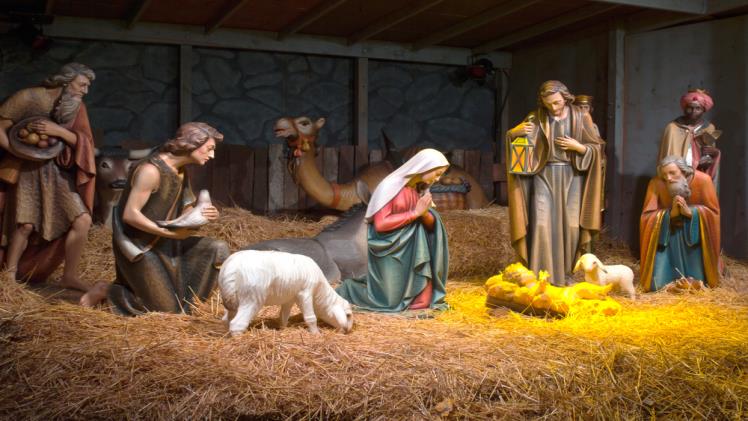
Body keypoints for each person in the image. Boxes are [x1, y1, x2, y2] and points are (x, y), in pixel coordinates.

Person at [0, 62, 106, 306]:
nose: (85, 90)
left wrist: (57, 131)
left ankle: (69, 276)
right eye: (82, 84)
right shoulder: (28, 97)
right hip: (26, 170)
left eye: (87, 86)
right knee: (25, 224)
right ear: (66, 81)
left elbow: (84, 142)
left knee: (82, 219)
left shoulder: (76, 106)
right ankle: (9, 277)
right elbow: (1, 126)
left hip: (56, 172)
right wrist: (17, 151)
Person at [108, 122, 230, 316]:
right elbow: (130, 215)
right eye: (209, 148)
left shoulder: (180, 171)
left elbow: (185, 207)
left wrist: (202, 213)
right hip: (141, 247)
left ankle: (188, 307)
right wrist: (168, 233)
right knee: (163, 311)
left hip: (169, 243)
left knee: (218, 249)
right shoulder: (151, 171)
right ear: (192, 144)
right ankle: (109, 293)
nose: (212, 155)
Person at [506, 80, 605, 285]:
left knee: (572, 226)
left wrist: (579, 147)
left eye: (557, 102)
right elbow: (519, 145)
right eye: (548, 103)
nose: (553, 107)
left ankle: (568, 274)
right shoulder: (536, 117)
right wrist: (513, 134)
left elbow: (597, 149)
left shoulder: (581, 116)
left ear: (566, 98)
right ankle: (540, 276)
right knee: (541, 223)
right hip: (543, 175)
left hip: (573, 176)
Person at [336, 148, 450, 312]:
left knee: (423, 302)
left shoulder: (417, 190)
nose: (438, 179)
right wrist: (415, 213)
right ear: (424, 166)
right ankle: (349, 290)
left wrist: (425, 214)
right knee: (388, 301)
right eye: (437, 173)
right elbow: (381, 224)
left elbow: (430, 225)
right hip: (390, 249)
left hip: (413, 250)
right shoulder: (390, 186)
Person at [639, 156, 720, 291]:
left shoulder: (703, 181)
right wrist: (669, 215)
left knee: (700, 283)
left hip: (694, 243)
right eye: (664, 175)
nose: (668, 178)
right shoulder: (656, 184)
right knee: (656, 285)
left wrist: (691, 213)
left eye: (672, 173)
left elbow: (714, 213)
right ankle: (669, 283)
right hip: (667, 240)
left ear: (684, 171)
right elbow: (646, 217)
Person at [658, 89, 721, 191]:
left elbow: (710, 156)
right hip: (677, 176)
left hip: (700, 173)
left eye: (698, 108)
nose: (693, 111)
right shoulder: (672, 127)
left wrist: (714, 154)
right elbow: (667, 157)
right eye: (689, 108)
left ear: (704, 110)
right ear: (684, 108)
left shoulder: (709, 128)